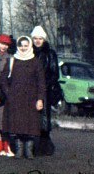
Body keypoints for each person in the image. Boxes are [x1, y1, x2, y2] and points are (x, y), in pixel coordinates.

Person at [0, 36, 46, 159]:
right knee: (17, 125)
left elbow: (41, 82)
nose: (23, 48)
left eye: (26, 45)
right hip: (15, 99)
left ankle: (29, 150)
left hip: (31, 99)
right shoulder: (12, 60)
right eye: (21, 45)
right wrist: (8, 93)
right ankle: (19, 149)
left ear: (30, 46)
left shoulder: (36, 62)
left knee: (30, 125)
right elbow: (3, 80)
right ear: (18, 46)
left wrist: (40, 98)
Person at [31, 25, 60, 156]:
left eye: (40, 38)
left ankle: (45, 145)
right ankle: (34, 146)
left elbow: (54, 74)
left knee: (44, 118)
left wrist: (44, 86)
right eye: (35, 38)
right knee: (32, 118)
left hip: (45, 91)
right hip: (31, 90)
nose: (37, 41)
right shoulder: (29, 52)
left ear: (44, 39)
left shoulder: (50, 53)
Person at [0, 34, 15, 157]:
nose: (3, 46)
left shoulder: (11, 59)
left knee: (5, 119)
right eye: (2, 43)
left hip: (5, 93)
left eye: (6, 44)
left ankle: (7, 145)